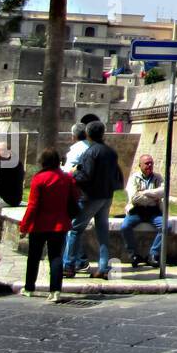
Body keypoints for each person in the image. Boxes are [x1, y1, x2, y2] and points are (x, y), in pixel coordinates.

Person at [64, 120, 124, 279]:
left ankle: (69, 265)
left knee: (74, 229)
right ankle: (104, 266)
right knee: (102, 232)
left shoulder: (91, 152)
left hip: (90, 197)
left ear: (88, 134)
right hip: (107, 196)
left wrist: (74, 172)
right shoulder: (111, 152)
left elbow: (85, 176)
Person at [19, 147, 79, 302]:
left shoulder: (39, 179)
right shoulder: (67, 178)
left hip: (39, 224)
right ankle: (55, 291)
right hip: (59, 224)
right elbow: (75, 198)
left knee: (33, 256)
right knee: (56, 257)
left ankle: (29, 287)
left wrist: (24, 226)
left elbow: (32, 206)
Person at [121, 153, 166, 268]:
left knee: (166, 226)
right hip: (136, 210)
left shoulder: (158, 177)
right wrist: (154, 197)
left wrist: (144, 193)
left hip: (153, 212)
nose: (149, 165)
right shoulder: (134, 178)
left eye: (151, 163)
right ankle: (133, 254)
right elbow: (134, 198)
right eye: (146, 163)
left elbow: (164, 192)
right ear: (140, 165)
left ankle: (153, 254)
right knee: (125, 227)